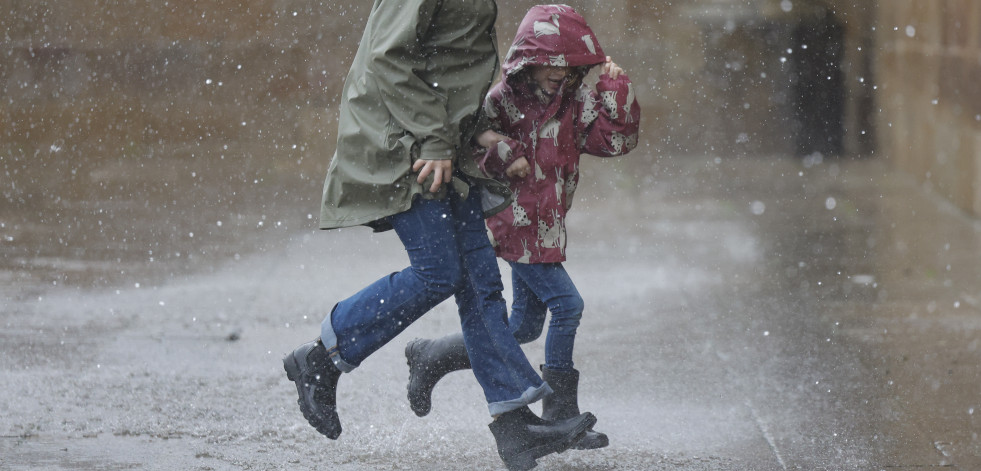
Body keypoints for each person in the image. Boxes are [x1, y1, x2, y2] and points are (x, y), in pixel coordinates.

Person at [282, 1, 597, 470]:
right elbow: (389, 59)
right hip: (407, 146)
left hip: (445, 147)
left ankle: (515, 428)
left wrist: (478, 131)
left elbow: (449, 67)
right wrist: (433, 137)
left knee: (480, 285)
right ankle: (323, 355)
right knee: (439, 273)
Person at [405, 3, 640, 450]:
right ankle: (562, 413)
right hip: (510, 223)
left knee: (523, 328)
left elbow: (615, 141)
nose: (560, 72)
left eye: (570, 64)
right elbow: (470, 146)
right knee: (567, 306)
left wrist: (616, 88)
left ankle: (432, 355)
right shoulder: (502, 101)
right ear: (530, 59)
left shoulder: (575, 104)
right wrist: (503, 154)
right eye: (550, 61)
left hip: (546, 228)